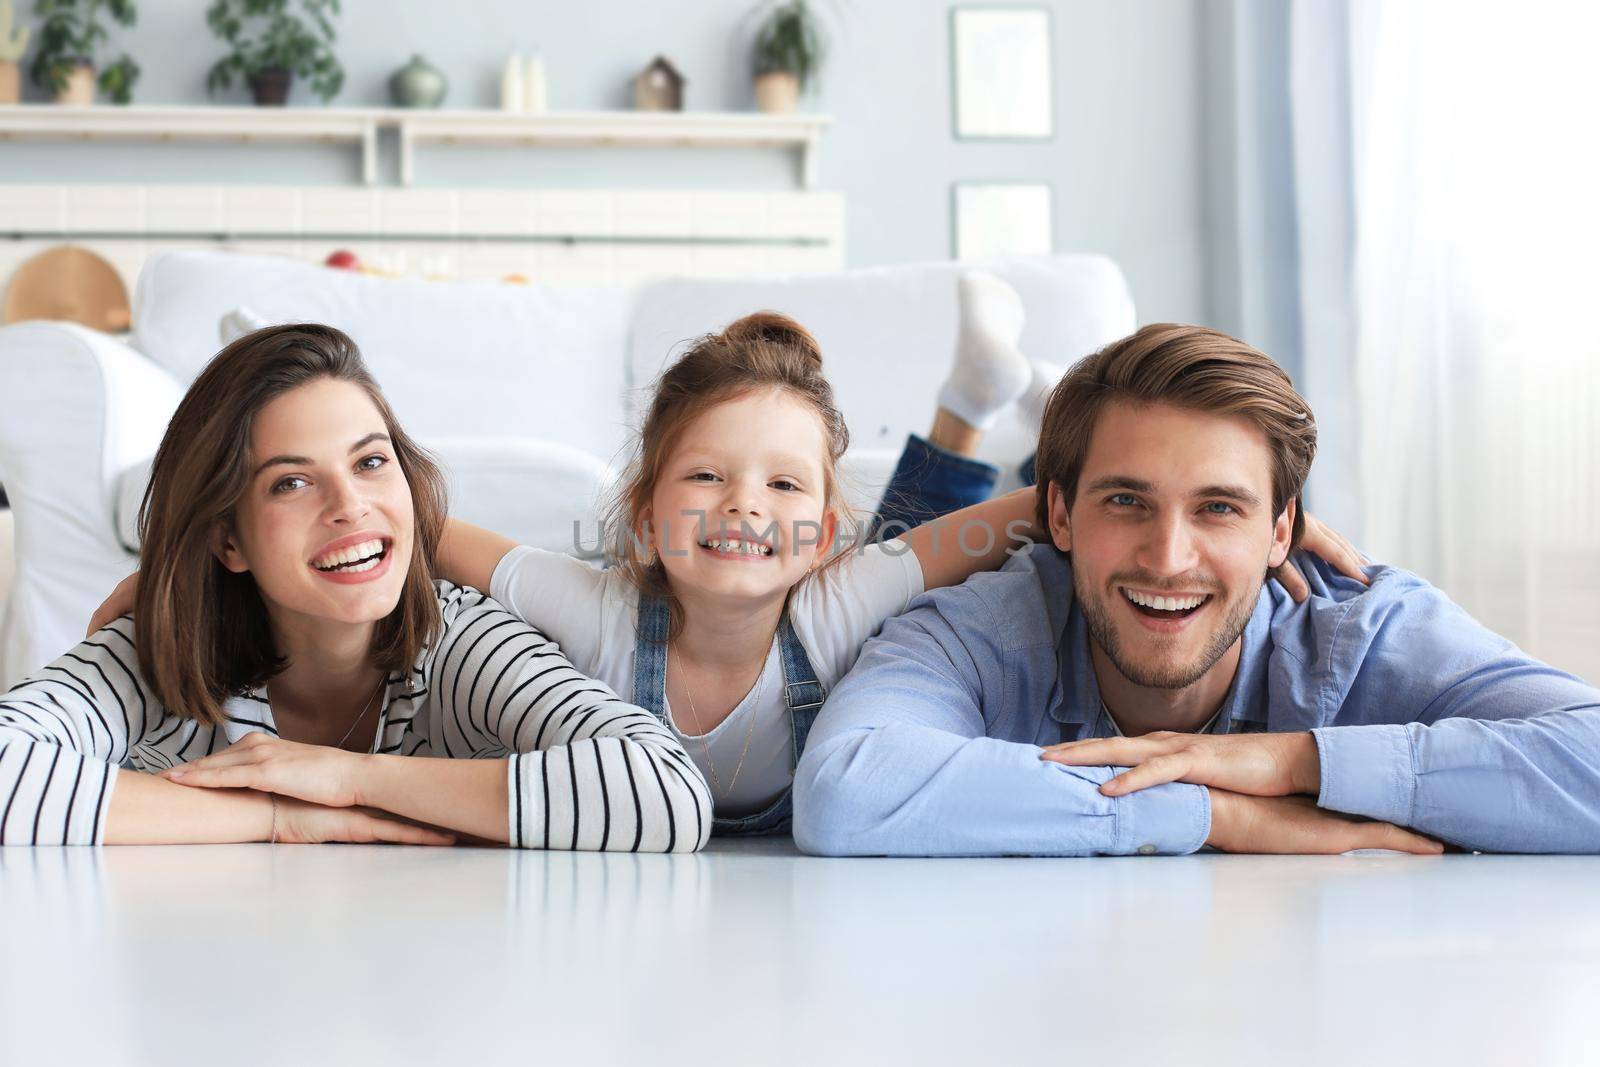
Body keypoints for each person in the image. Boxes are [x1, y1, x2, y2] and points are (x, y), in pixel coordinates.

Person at [85, 292, 1364, 838]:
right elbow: (435, 536)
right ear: (643, 511)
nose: (741, 509)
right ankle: (270, 363)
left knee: (922, 515)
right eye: (702, 481)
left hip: (873, 546)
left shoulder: (840, 589)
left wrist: (1256, 525)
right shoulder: (591, 614)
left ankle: (970, 404)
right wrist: (186, 571)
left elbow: (1016, 520)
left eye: (778, 492)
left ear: (818, 533)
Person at [792, 323, 1600, 857]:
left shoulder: (1360, 628)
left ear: (1282, 531)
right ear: (1061, 516)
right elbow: (843, 789)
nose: (1169, 557)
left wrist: (1291, 763)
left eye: (1219, 507)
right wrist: (1217, 811)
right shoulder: (988, 624)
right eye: (1126, 500)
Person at [0, 324, 710, 850]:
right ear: (228, 539)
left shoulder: (459, 641)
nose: (349, 505)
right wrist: (275, 815)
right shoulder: (153, 655)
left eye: (371, 462)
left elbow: (666, 790)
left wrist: (349, 778)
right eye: (292, 481)